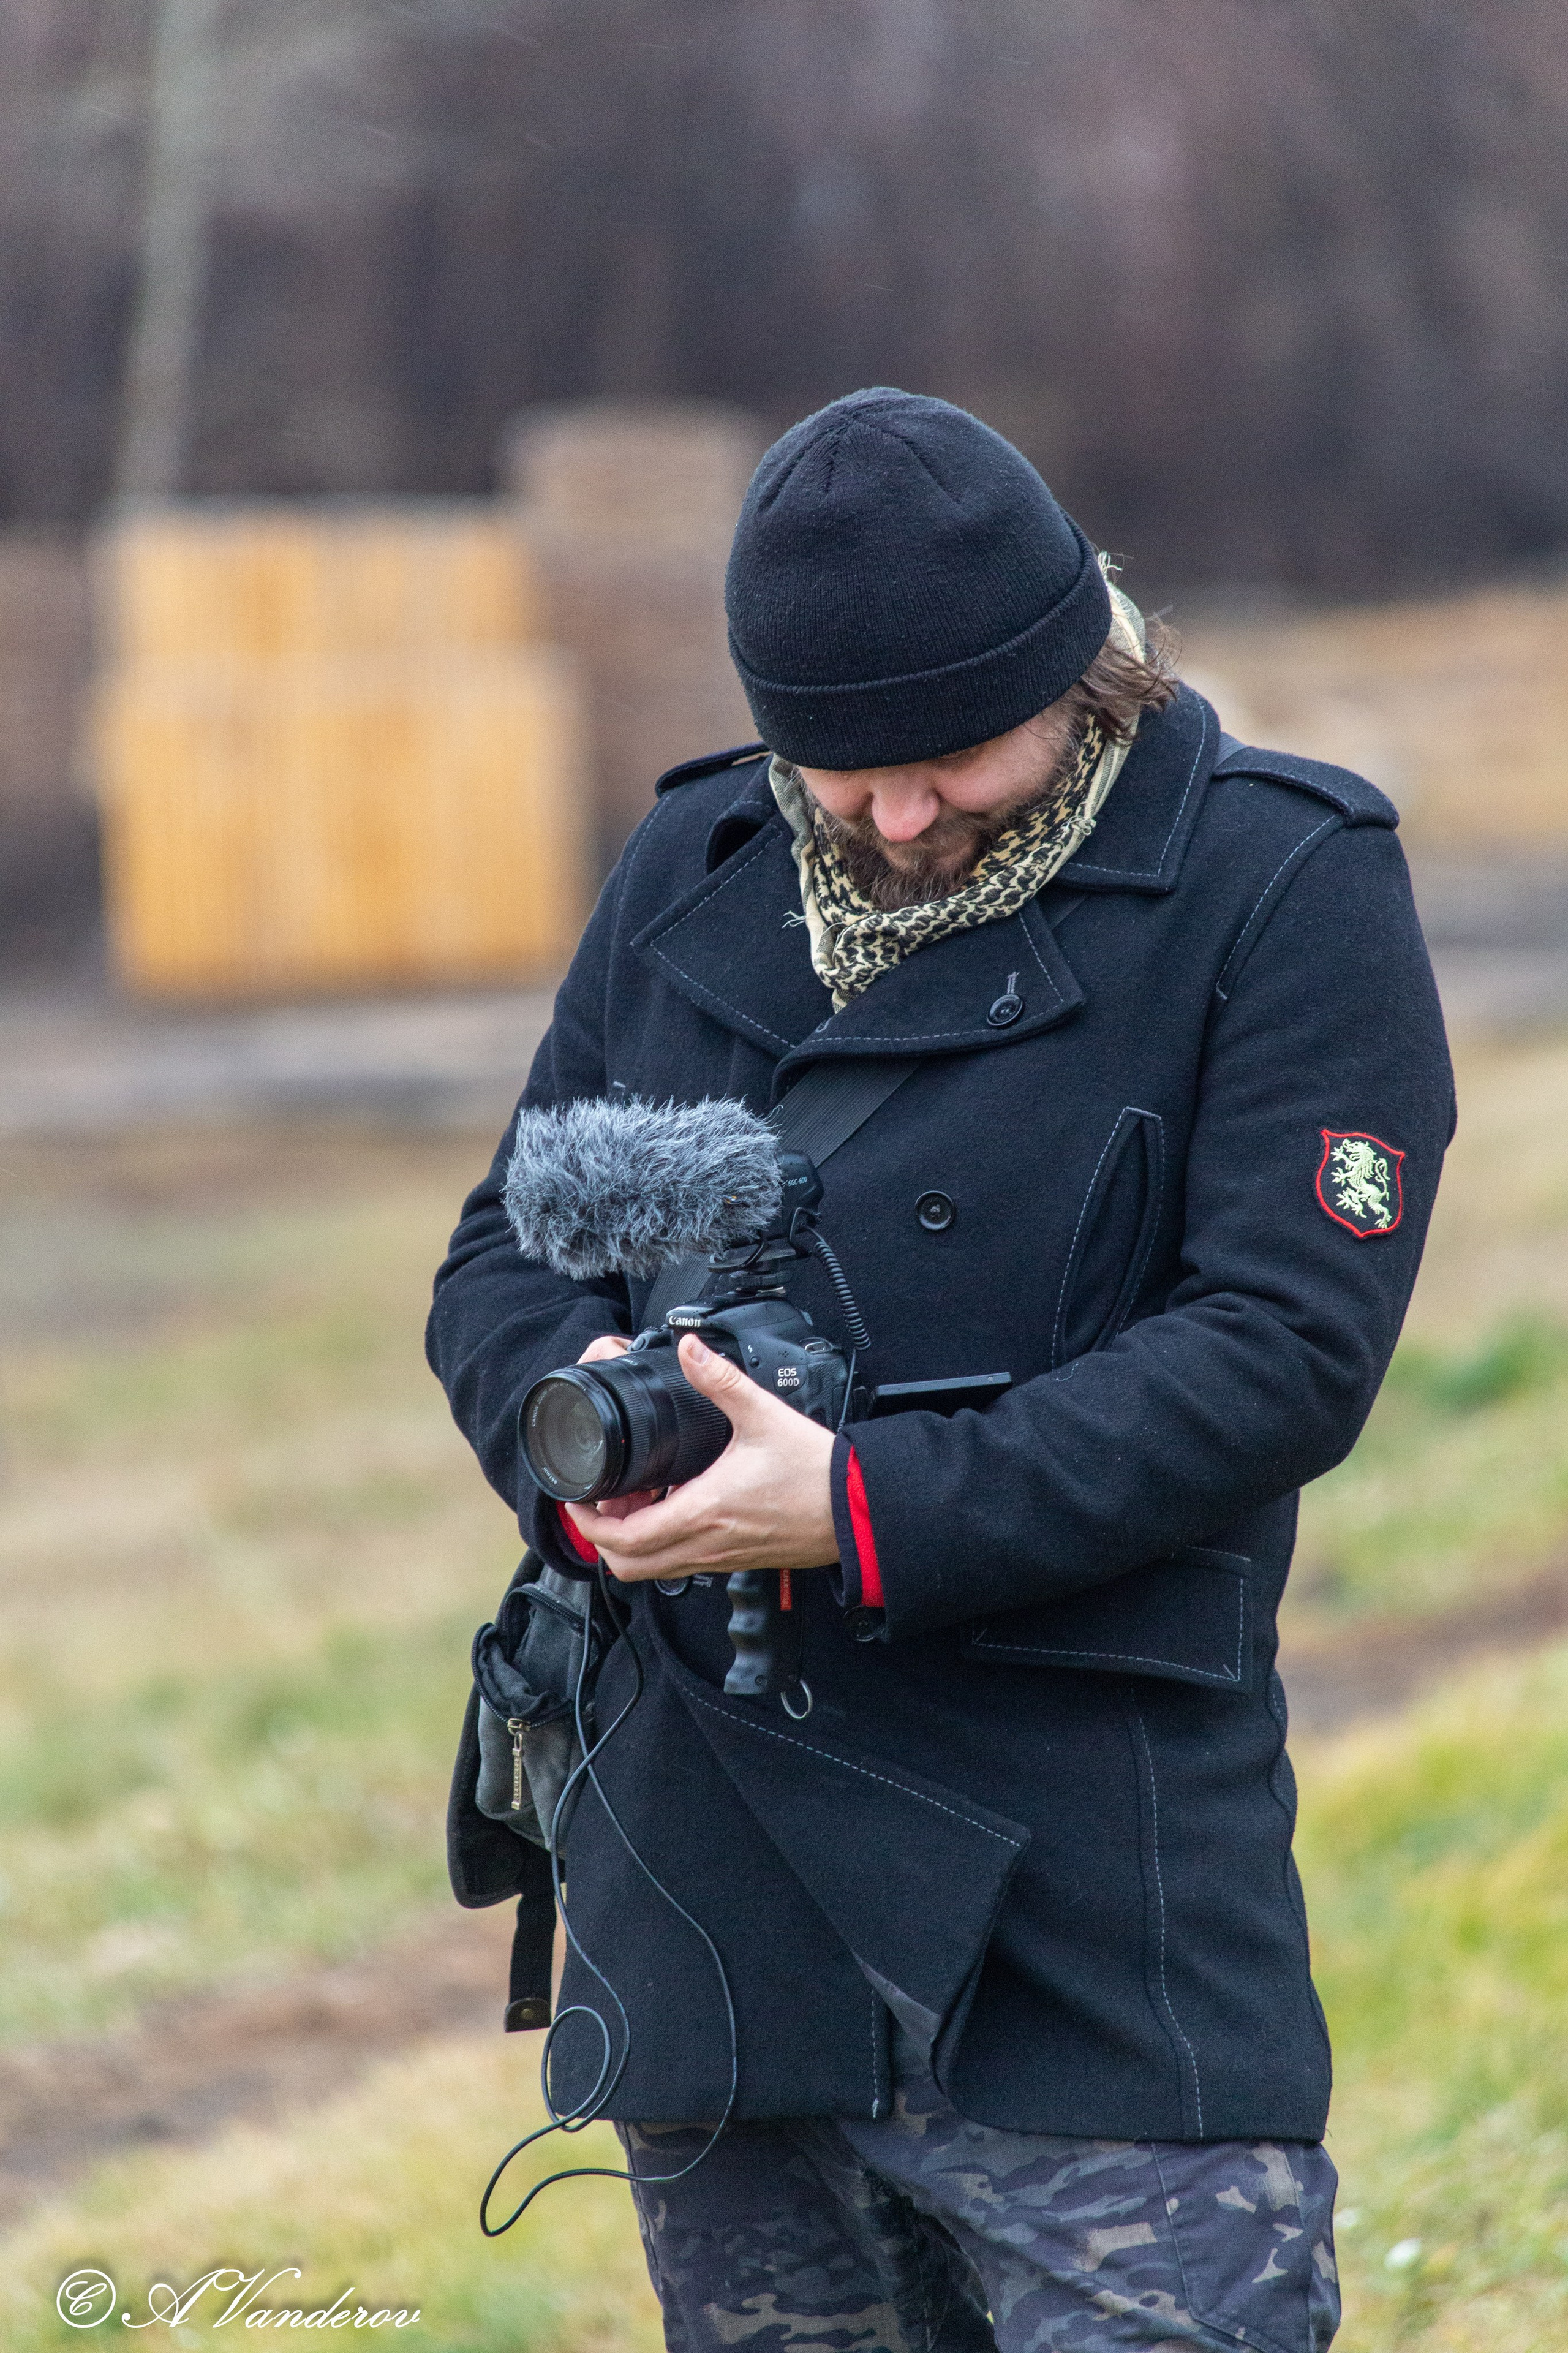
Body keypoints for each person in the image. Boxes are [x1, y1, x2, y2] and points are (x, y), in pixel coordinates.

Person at [428, 389, 1454, 2352]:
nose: (898, 816)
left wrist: (861, 1504)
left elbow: (1281, 1350)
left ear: (1086, 672)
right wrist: (585, 1440)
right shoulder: (690, 863)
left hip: (1085, 1902)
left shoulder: (1279, 883)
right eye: (845, 768)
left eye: (951, 758)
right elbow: (496, 1252)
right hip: (711, 1891)